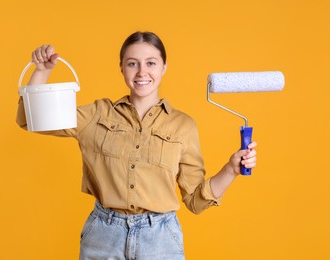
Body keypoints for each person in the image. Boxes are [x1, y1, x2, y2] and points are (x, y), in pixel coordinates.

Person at [16, 31, 257, 260]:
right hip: (103, 236)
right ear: (121, 67)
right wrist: (42, 71)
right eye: (132, 63)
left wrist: (231, 169)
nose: (142, 71)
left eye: (151, 63)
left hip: (161, 239)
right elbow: (29, 119)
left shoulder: (183, 126)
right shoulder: (96, 115)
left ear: (164, 67)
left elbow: (196, 201)